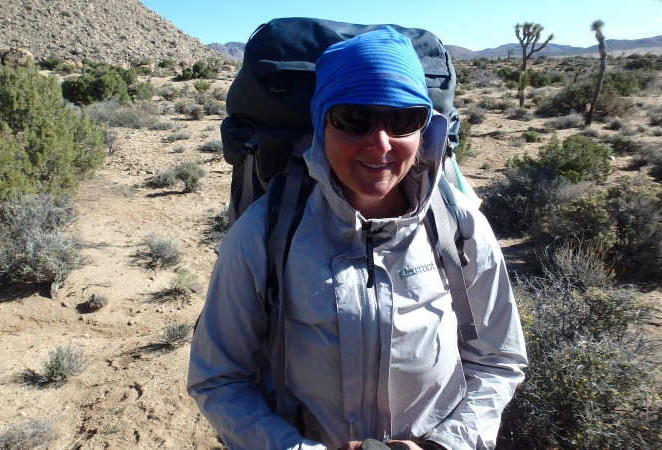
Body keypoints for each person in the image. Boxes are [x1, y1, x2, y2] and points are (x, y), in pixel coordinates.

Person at [187, 27, 527, 450]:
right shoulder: (264, 233)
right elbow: (218, 378)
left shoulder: (459, 227)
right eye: (354, 119)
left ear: (424, 129)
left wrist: (444, 446)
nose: (380, 144)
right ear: (321, 124)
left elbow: (498, 360)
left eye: (403, 119)